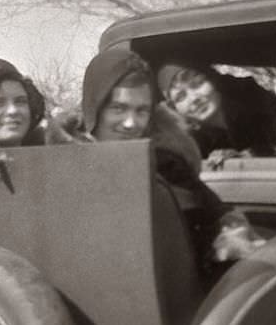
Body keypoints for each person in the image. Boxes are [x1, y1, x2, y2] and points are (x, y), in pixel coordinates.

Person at [46, 47, 263, 276]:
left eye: (141, 111)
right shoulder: (64, 173)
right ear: (95, 110)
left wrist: (227, 240)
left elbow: (217, 213)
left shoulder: (166, 161)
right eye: (118, 108)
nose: (131, 123)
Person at [156, 63, 276, 163]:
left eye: (197, 84)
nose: (194, 98)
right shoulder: (198, 143)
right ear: (175, 109)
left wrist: (248, 156)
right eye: (180, 97)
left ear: (213, 81)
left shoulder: (260, 105)